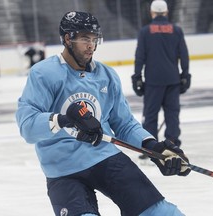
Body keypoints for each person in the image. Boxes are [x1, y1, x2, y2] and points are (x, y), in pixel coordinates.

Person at [16, 11, 191, 216]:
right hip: (63, 170)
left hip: (106, 157)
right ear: (67, 39)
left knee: (162, 213)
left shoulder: (106, 75)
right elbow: (27, 126)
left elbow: (124, 124)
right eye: (84, 39)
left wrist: (152, 147)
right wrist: (64, 119)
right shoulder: (44, 74)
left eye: (93, 39)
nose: (91, 45)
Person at [131, 0, 191, 159]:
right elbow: (183, 55)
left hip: (153, 81)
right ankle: (173, 145)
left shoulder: (145, 32)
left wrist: (137, 77)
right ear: (166, 13)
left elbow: (140, 57)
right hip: (172, 80)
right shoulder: (176, 31)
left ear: (152, 13)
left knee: (150, 115)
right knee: (172, 114)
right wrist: (185, 75)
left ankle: (151, 148)